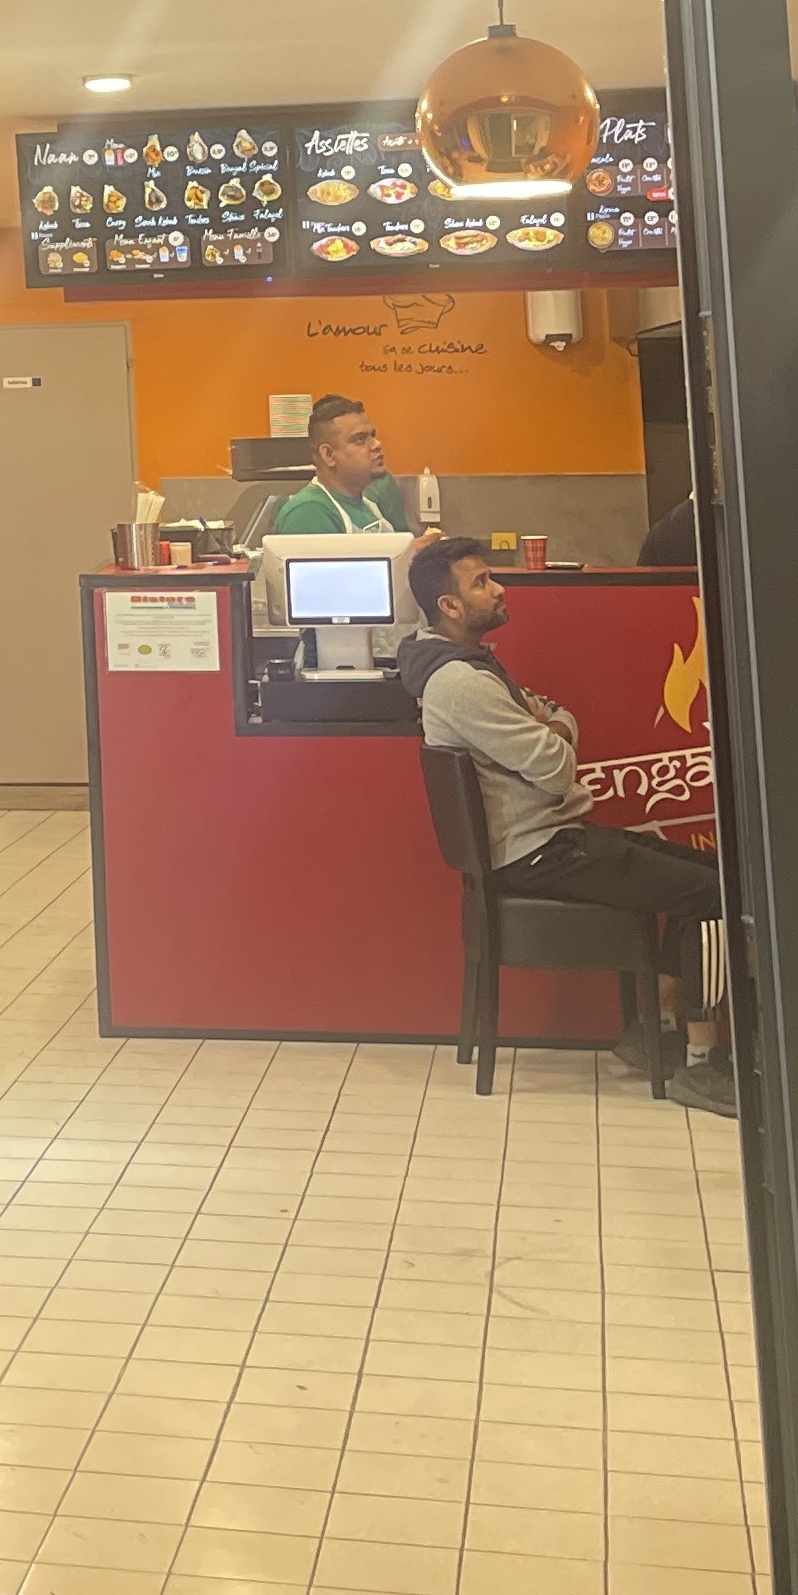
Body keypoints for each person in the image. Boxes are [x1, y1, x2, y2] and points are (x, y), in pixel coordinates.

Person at [398, 527, 730, 1106]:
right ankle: (703, 1065)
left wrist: (550, 726)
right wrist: (552, 730)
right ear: (449, 606)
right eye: (482, 583)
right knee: (715, 893)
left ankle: (658, 1032)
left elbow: (555, 715)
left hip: (551, 840)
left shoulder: (466, 665)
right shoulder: (461, 682)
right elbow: (555, 767)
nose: (498, 589)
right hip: (540, 851)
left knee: (711, 874)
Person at [271, 394, 409, 538]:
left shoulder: (367, 506)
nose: (376, 444)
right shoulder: (308, 513)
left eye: (373, 436)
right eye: (360, 440)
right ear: (328, 455)